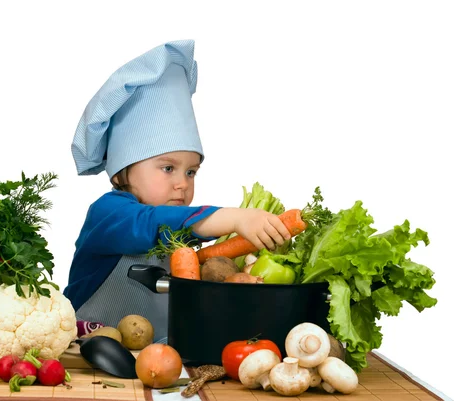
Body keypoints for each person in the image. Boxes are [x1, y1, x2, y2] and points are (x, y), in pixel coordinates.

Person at [64, 40, 291, 342]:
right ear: (123, 171)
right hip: (87, 347)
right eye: (168, 168)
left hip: (158, 357)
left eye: (191, 171)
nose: (183, 183)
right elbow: (152, 222)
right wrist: (236, 219)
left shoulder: (183, 234)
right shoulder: (109, 212)